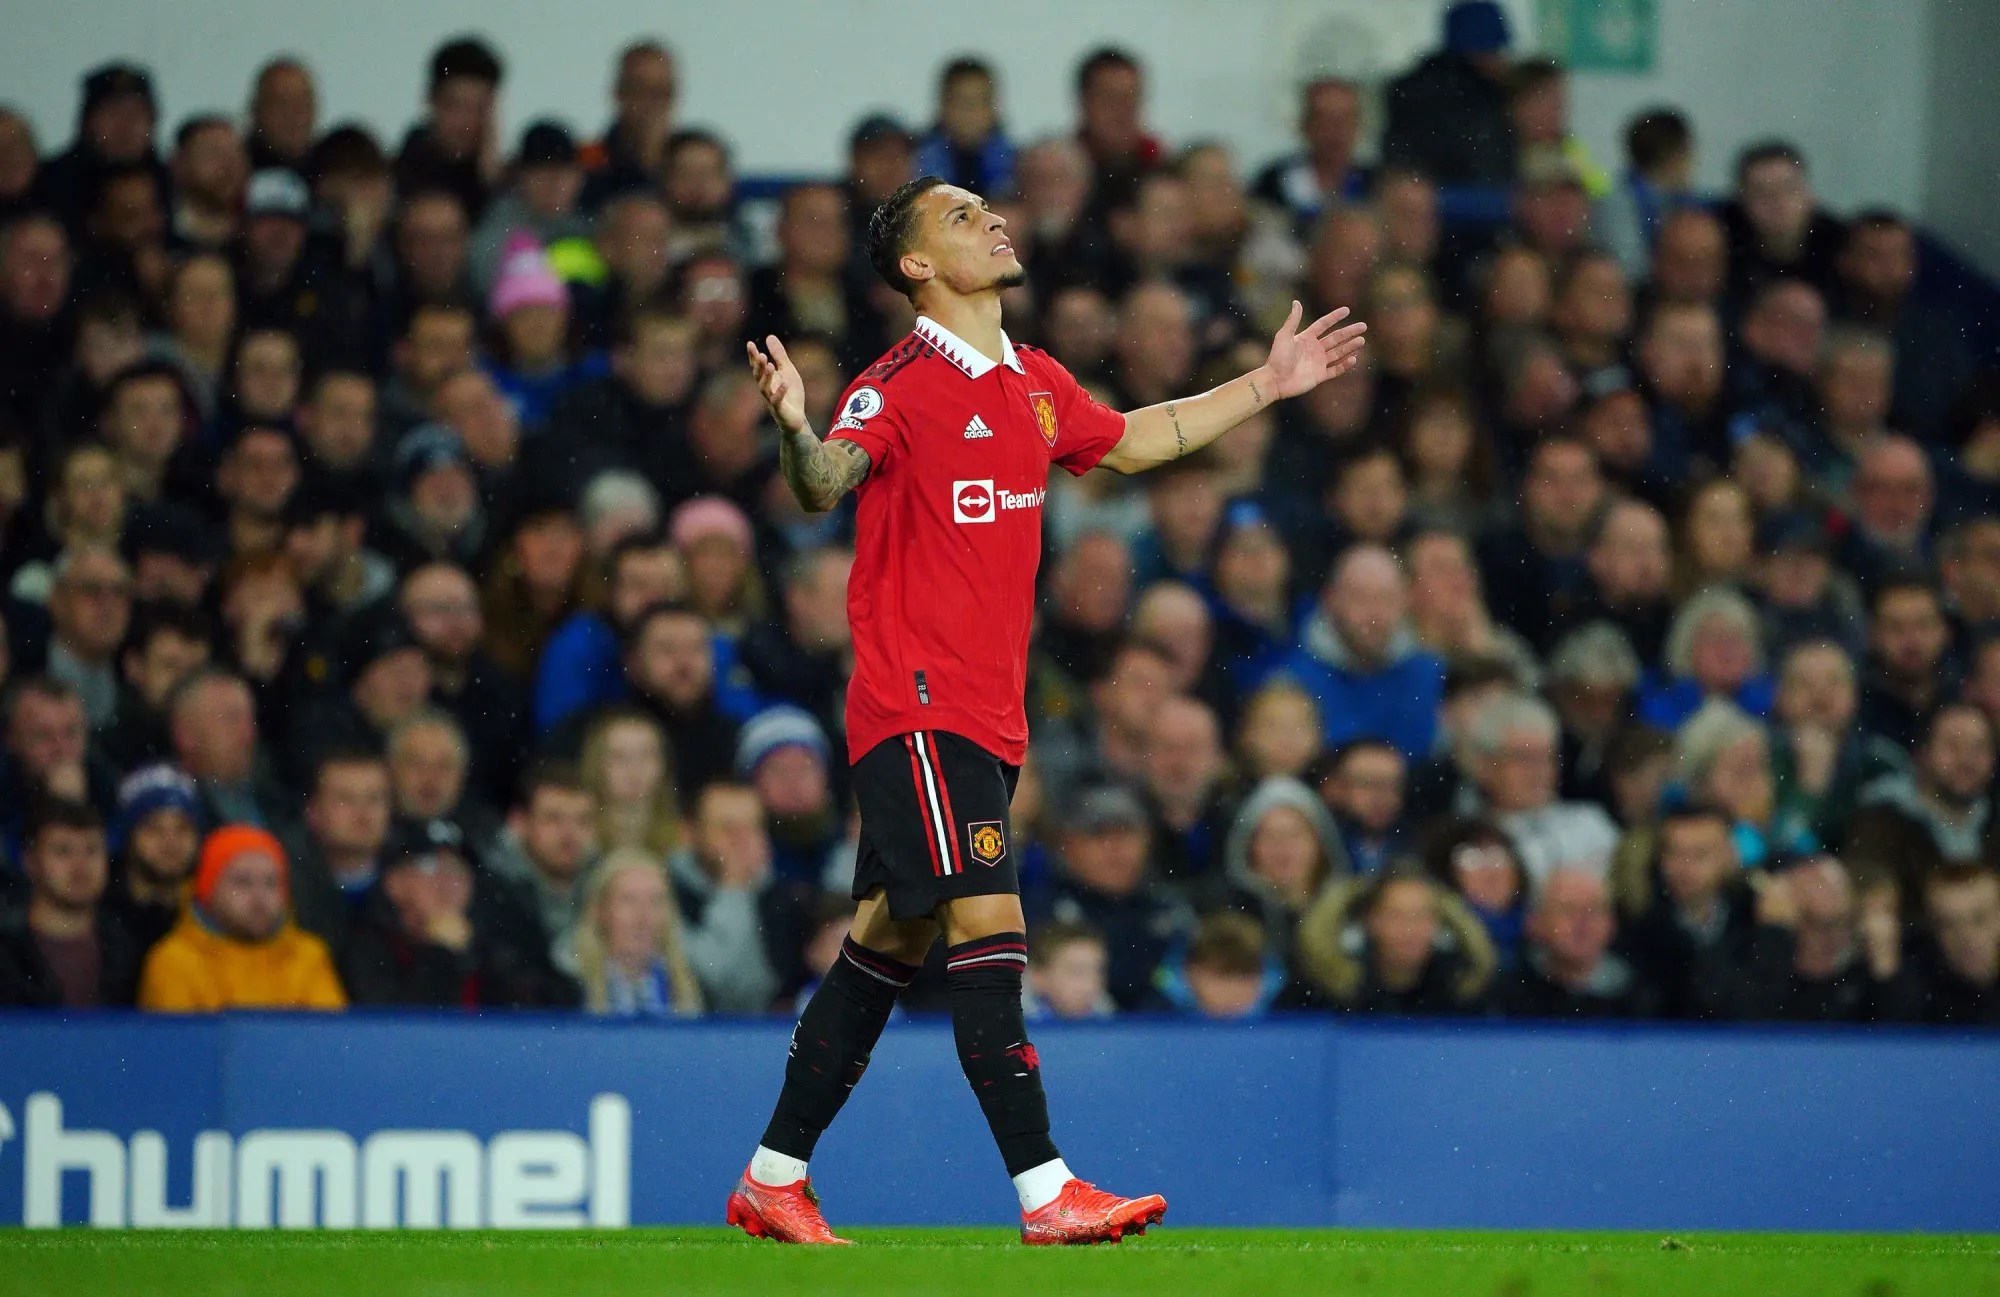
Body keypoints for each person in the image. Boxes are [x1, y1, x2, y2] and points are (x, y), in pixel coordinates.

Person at [731, 170, 1363, 1242]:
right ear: (917, 265)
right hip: (916, 708)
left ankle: (773, 1178)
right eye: (962, 216)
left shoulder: (1030, 379)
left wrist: (1263, 382)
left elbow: (1139, 435)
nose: (993, 220)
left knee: (884, 944)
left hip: (984, 718)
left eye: (989, 207)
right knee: (991, 925)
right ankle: (1044, 1189)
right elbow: (826, 479)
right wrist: (795, 429)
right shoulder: (893, 384)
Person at [136, 824, 346, 1012]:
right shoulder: (174, 962)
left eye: (271, 882)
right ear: (208, 890)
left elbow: (330, 1045)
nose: (259, 896)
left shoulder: (308, 957)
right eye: (242, 882)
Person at [1293, 859, 1496, 1014]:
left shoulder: (1461, 991)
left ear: (1436, 922)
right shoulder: (1328, 993)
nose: (1410, 929)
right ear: (1372, 921)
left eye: (1421, 916)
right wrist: (1353, 889)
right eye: (1396, 915)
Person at [0, 799, 144, 1007]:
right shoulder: (5, 952)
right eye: (63, 851)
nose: (80, 866)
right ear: (30, 861)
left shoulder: (129, 950)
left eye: (92, 850)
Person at [1496, 868, 1657, 1019]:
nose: (1583, 922)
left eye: (1594, 909)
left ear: (1612, 924)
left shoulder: (1643, 1002)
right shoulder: (1504, 999)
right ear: (1535, 922)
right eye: (1568, 909)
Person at [572, 847, 703, 1017]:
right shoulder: (567, 986)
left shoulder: (687, 986)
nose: (643, 918)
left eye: (655, 901)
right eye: (628, 900)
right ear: (599, 910)